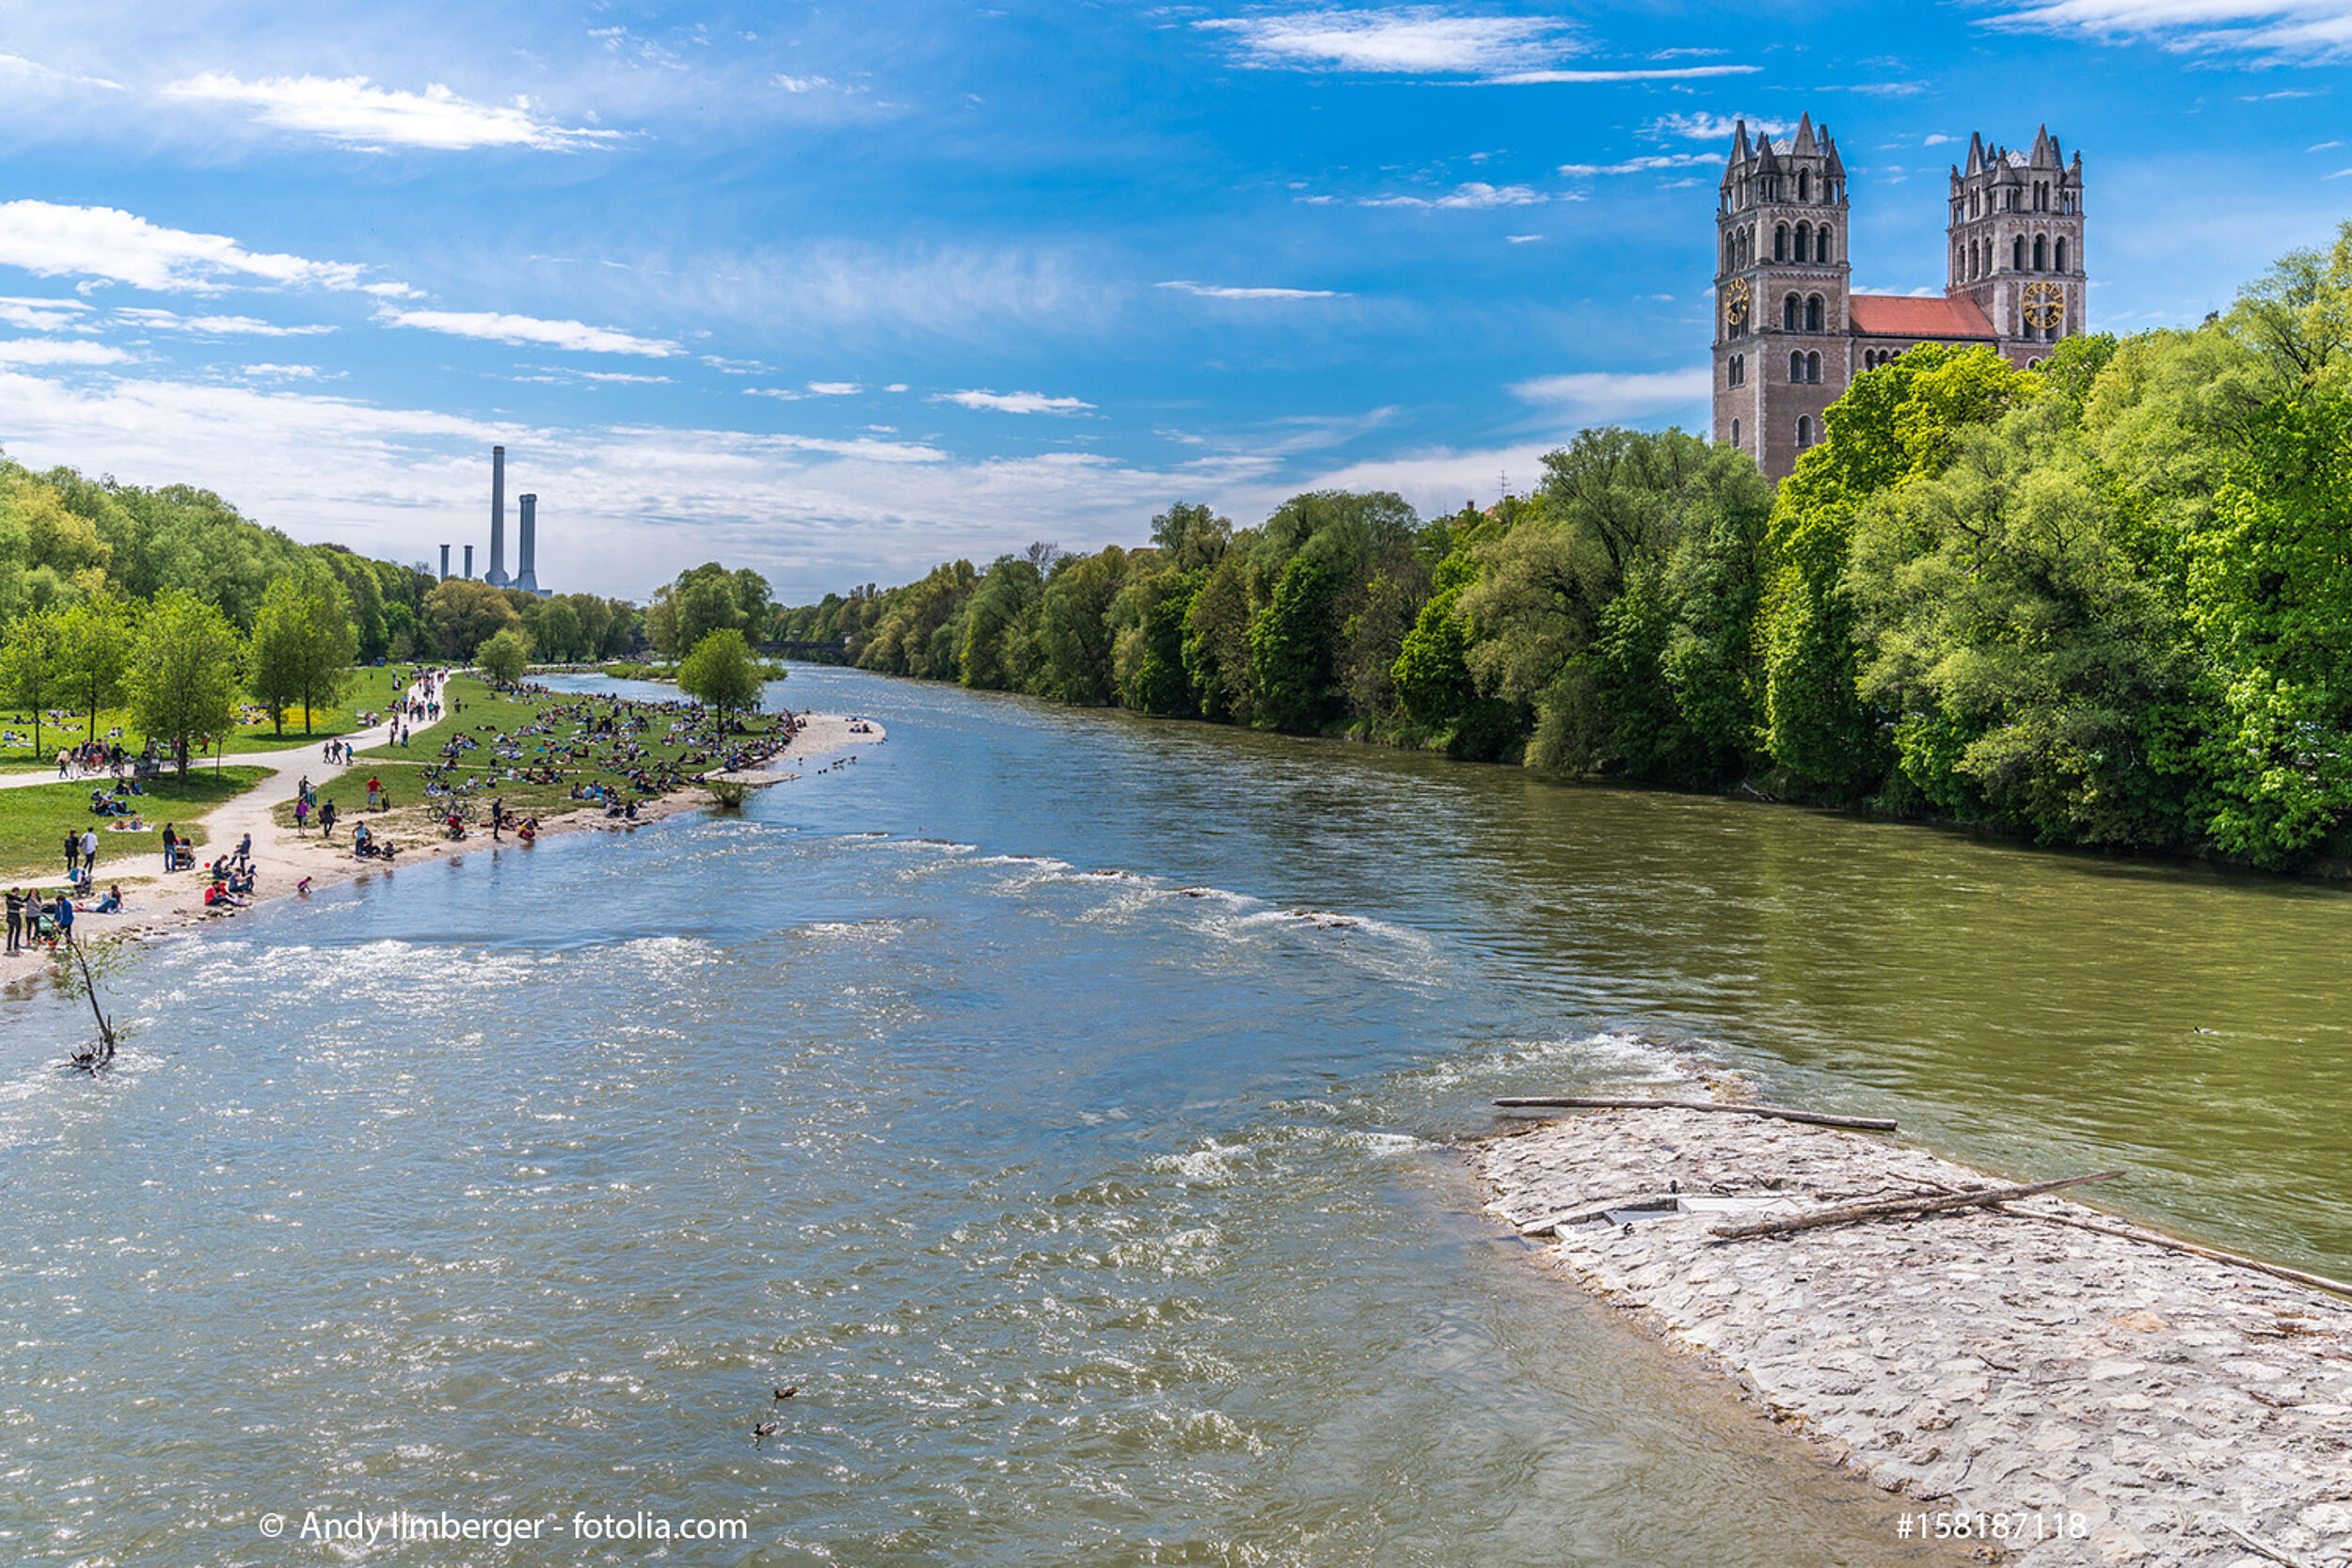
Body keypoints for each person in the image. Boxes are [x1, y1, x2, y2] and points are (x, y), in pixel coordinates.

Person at [4, 886, 22, 955]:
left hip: (9, 915)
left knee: (11, 931)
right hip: (15, 915)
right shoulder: (17, 898)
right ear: (16, 891)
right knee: (17, 931)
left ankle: (9, 947)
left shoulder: (8, 898)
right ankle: (15, 946)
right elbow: (21, 905)